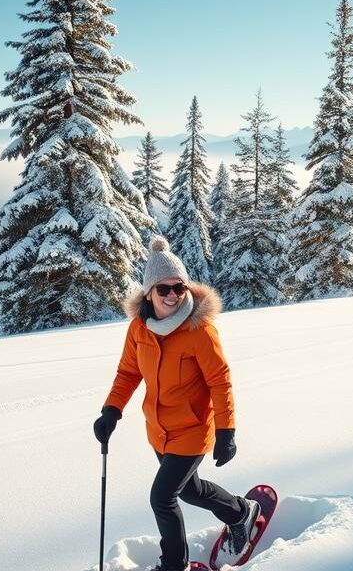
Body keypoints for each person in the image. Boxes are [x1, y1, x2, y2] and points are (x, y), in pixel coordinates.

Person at [94, 236, 260, 571]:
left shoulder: (199, 329)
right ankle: (241, 512)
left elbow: (220, 380)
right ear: (149, 292)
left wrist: (226, 430)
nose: (172, 295)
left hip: (193, 428)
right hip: (158, 429)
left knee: (162, 497)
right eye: (164, 289)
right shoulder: (139, 329)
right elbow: (128, 372)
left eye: (179, 288)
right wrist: (111, 410)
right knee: (190, 490)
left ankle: (174, 564)